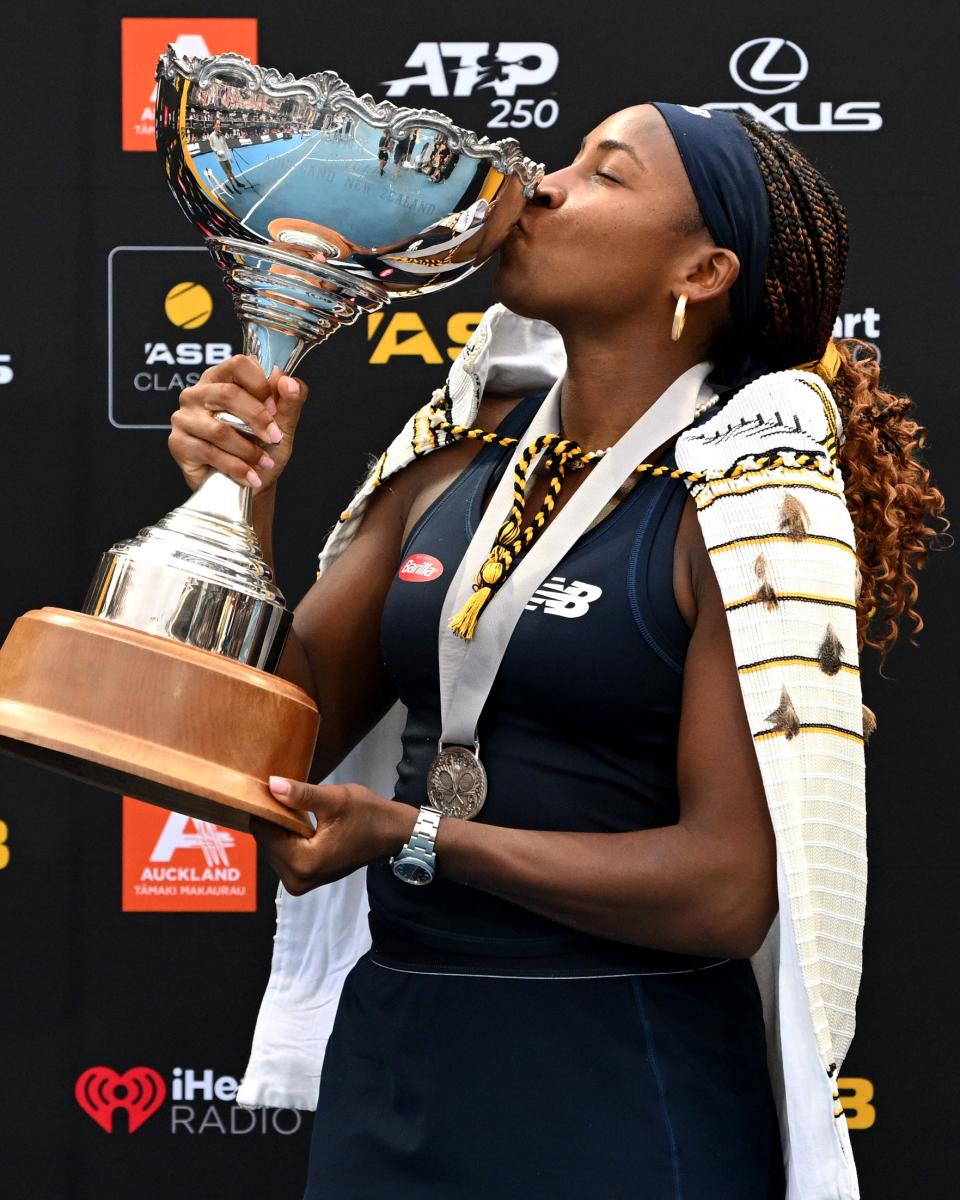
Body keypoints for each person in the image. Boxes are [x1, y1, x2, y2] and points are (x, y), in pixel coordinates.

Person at [169, 104, 944, 1198]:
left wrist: (417, 834)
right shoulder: (449, 469)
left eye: (603, 175)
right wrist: (241, 495)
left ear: (704, 267)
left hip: (619, 1078)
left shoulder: (743, 508)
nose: (538, 184)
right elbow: (264, 732)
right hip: (394, 1064)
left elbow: (727, 890)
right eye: (563, 158)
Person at [207, 116, 248, 194]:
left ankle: (237, 183)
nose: (219, 126)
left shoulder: (222, 135)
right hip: (220, 158)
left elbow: (225, 146)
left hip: (226, 156)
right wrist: (217, 151)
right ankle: (233, 186)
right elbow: (211, 146)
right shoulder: (211, 136)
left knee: (231, 171)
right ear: (214, 125)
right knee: (228, 173)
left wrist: (229, 157)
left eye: (219, 124)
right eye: (217, 124)